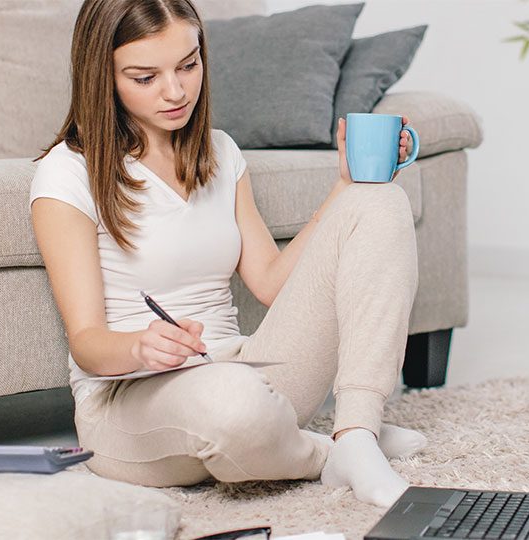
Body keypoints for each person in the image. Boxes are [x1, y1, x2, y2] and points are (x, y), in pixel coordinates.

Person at [30, 0, 425, 508]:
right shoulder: (66, 172)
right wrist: (139, 347)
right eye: (145, 77)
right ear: (101, 76)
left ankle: (356, 429)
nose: (175, 91)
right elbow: (86, 343)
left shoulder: (219, 152)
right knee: (235, 406)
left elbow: (270, 282)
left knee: (379, 198)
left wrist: (345, 189)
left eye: (188, 66)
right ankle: (325, 451)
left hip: (242, 368)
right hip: (130, 402)